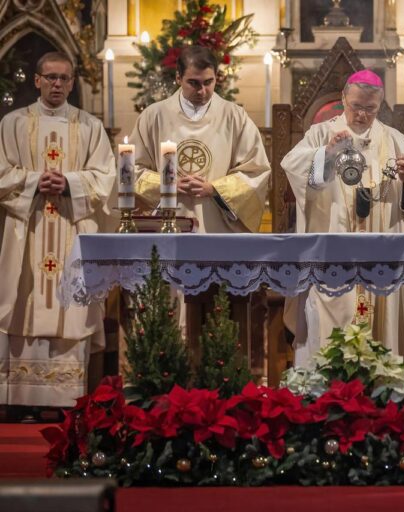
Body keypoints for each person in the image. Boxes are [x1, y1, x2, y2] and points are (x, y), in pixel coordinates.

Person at [281, 69, 404, 368]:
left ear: (380, 106)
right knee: (330, 337)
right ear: (343, 99)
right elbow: (293, 168)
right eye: (355, 107)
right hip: (333, 258)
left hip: (384, 261)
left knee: (383, 338)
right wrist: (326, 153)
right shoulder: (320, 134)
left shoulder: (396, 141)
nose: (362, 115)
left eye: (370, 109)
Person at [0, 52, 115, 415]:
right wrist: (35, 181)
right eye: (50, 77)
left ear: (72, 81)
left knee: (72, 307)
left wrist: (69, 183)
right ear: (36, 80)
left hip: (72, 230)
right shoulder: (12, 124)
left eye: (64, 79)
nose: (57, 85)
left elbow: (106, 178)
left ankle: (67, 401)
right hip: (26, 231)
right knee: (22, 297)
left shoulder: (90, 127)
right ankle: (20, 401)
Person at [131, 45, 270, 233]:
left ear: (216, 78)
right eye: (194, 83)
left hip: (218, 227)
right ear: (178, 78)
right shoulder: (154, 116)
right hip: (166, 225)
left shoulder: (235, 117)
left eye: (208, 82)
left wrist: (214, 189)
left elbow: (256, 172)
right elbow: (131, 170)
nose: (202, 91)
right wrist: (166, 185)